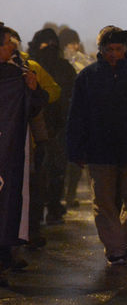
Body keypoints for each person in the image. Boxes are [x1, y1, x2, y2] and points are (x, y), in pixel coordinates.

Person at [66, 26, 127, 265]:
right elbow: (77, 115)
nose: (114, 54)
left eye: (118, 49)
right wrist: (76, 149)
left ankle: (121, 241)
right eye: (110, 49)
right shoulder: (87, 77)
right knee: (104, 202)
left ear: (126, 49)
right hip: (101, 150)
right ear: (102, 50)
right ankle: (116, 248)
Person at [0, 26, 48, 287]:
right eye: (7, 43)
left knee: (8, 200)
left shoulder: (17, 74)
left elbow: (37, 104)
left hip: (10, 150)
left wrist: (33, 88)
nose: (12, 48)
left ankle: (4, 258)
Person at [26, 28, 76, 226]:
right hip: (39, 127)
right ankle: (44, 212)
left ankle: (48, 210)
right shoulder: (31, 67)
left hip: (55, 126)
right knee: (41, 173)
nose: (50, 48)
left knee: (51, 171)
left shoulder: (39, 66)